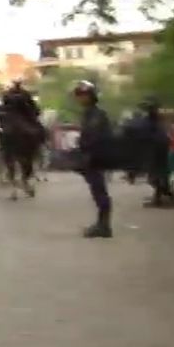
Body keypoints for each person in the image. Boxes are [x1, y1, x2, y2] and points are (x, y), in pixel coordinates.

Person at [72, 80, 114, 239]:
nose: (81, 98)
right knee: (97, 191)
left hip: (96, 157)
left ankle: (104, 226)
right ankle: (102, 224)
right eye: (79, 95)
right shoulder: (88, 113)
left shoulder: (97, 114)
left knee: (100, 191)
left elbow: (95, 137)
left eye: (84, 95)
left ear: (91, 96)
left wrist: (85, 150)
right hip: (91, 156)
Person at [134, 98, 174, 208]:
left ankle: (169, 196)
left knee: (156, 176)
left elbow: (148, 135)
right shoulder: (154, 119)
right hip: (159, 148)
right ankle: (160, 198)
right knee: (158, 174)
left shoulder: (151, 120)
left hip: (157, 149)